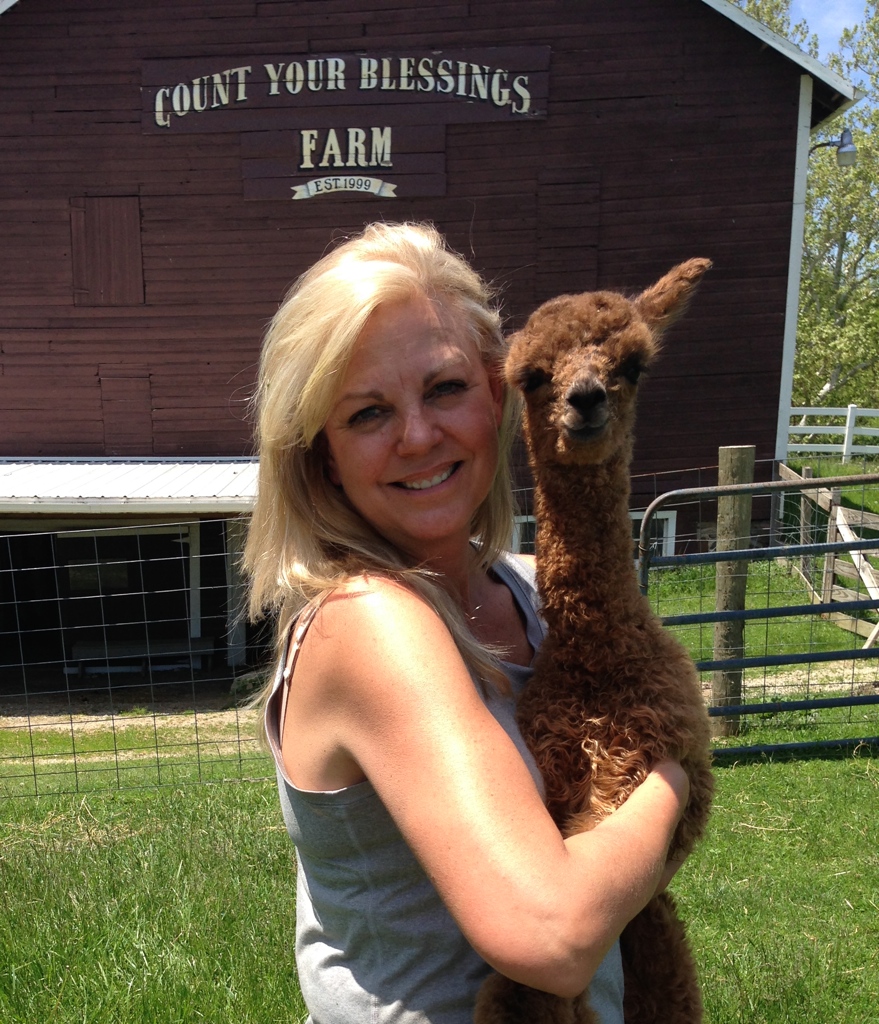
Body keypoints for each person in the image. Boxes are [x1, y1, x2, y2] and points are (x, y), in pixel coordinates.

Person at [244, 222, 689, 1024]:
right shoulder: (370, 622)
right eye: (368, 413)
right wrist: (674, 778)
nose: (418, 436)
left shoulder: (519, 595)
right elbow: (549, 936)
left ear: (496, 393)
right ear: (320, 454)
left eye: (444, 389)